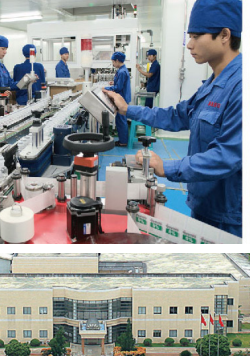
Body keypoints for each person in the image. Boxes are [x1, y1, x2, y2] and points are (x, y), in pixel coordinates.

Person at [103, 0, 242, 236]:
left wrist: (167, 166)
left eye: (197, 36)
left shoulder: (241, 86)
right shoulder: (211, 84)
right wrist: (128, 109)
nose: (189, 44)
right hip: (203, 202)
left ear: (224, 35)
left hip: (227, 216)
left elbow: (227, 156)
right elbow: (176, 116)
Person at [104, 52, 131, 147]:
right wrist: (113, 82)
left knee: (121, 120)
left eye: (113, 62)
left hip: (122, 98)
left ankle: (123, 142)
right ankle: (122, 140)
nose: (113, 64)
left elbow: (119, 87)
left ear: (117, 60)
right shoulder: (122, 70)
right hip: (123, 97)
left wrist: (106, 89)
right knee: (121, 120)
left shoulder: (122, 71)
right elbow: (119, 84)